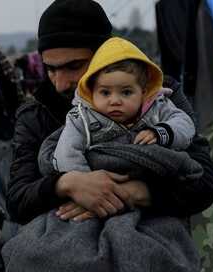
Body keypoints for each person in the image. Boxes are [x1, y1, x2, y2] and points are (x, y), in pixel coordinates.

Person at [7, 0, 213, 272]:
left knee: (123, 252)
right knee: (35, 245)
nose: (62, 80)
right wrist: (67, 183)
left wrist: (141, 192)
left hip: (145, 222)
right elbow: (17, 196)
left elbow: (204, 182)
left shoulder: (159, 98)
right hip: (67, 220)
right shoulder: (38, 113)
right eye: (51, 68)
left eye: (74, 66)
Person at [51, 36, 195, 173]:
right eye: (105, 93)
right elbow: (66, 153)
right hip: (100, 183)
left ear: (143, 92)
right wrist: (86, 183)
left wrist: (159, 132)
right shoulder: (81, 118)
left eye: (126, 92)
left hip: (153, 177)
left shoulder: (158, 107)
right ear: (92, 91)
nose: (115, 101)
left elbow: (185, 124)